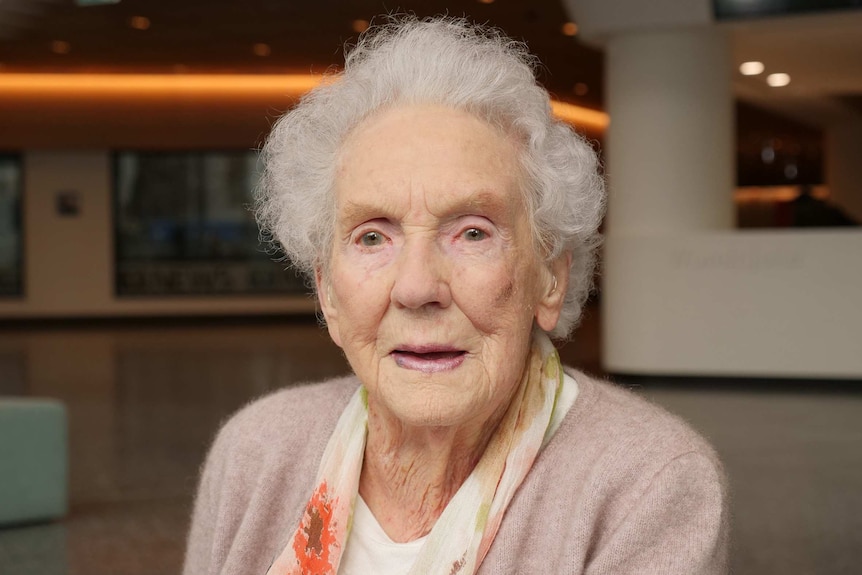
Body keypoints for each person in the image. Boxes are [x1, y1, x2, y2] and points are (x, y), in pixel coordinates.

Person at [183, 16, 728, 575]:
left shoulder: (648, 483)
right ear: (327, 292)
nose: (418, 288)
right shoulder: (254, 451)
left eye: (473, 232)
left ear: (549, 278)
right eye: (372, 236)